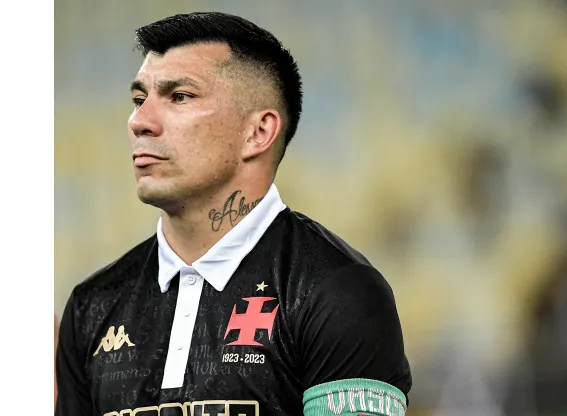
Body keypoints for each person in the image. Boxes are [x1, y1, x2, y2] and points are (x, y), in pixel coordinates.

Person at [54, 11, 411, 416]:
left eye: (179, 97)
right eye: (139, 100)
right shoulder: (92, 306)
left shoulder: (337, 292)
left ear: (257, 133)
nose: (140, 121)